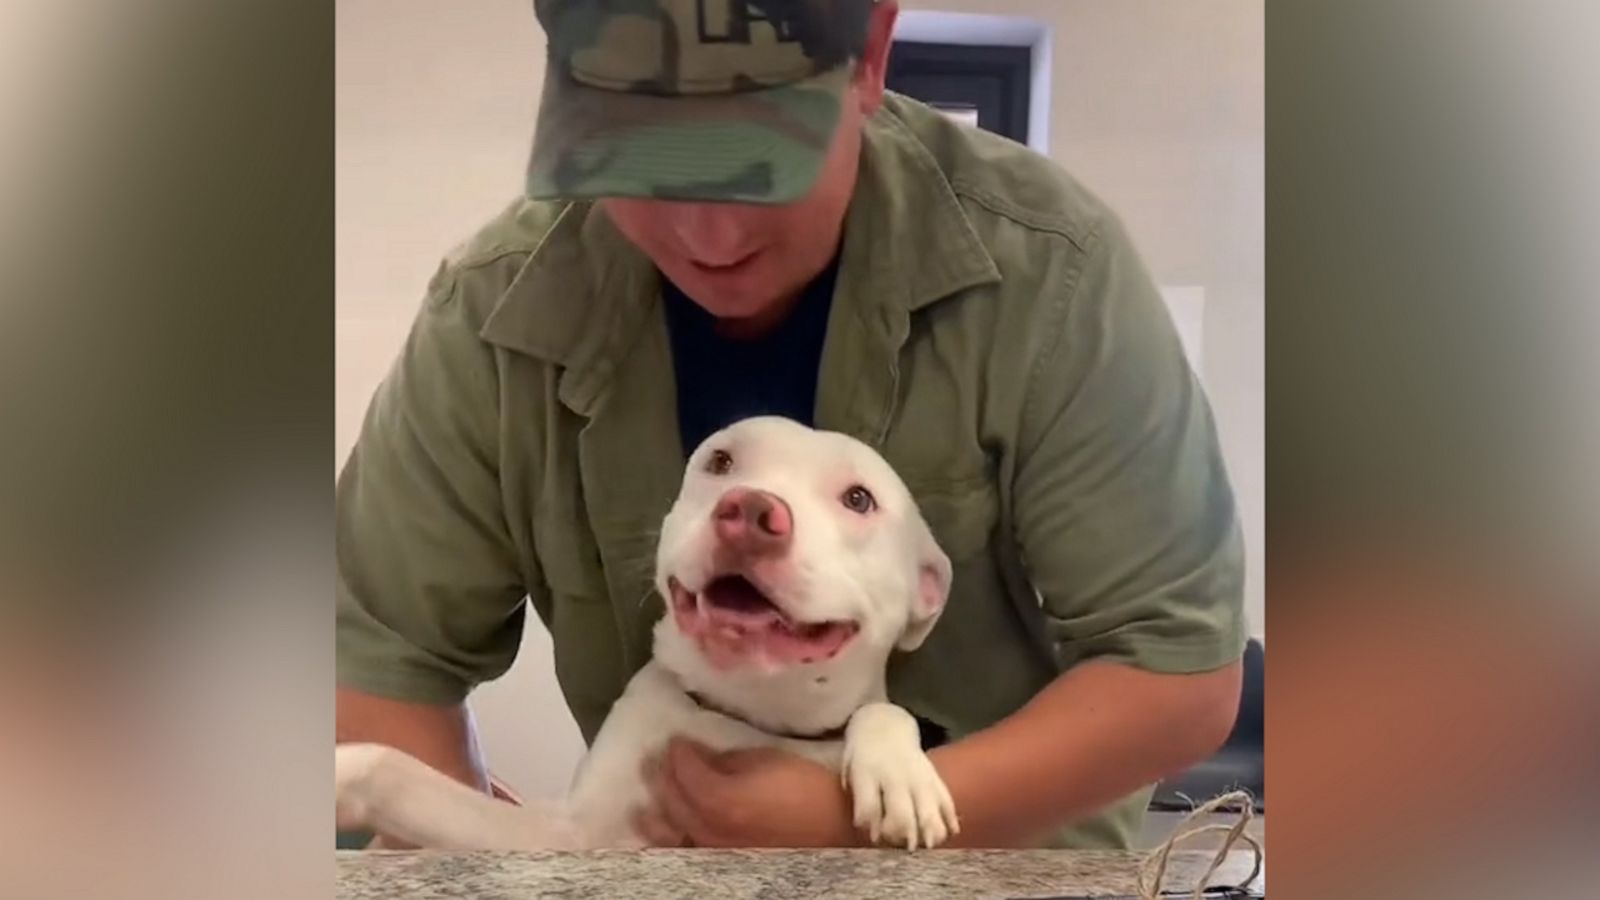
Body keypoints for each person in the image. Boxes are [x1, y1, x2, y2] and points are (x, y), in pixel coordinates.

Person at [336, 0, 1246, 850]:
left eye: (762, 149)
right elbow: (378, 662)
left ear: (871, 53)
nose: (710, 233)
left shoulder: (1054, 277)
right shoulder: (497, 308)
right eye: (639, 150)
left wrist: (849, 828)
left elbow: (1175, 674)